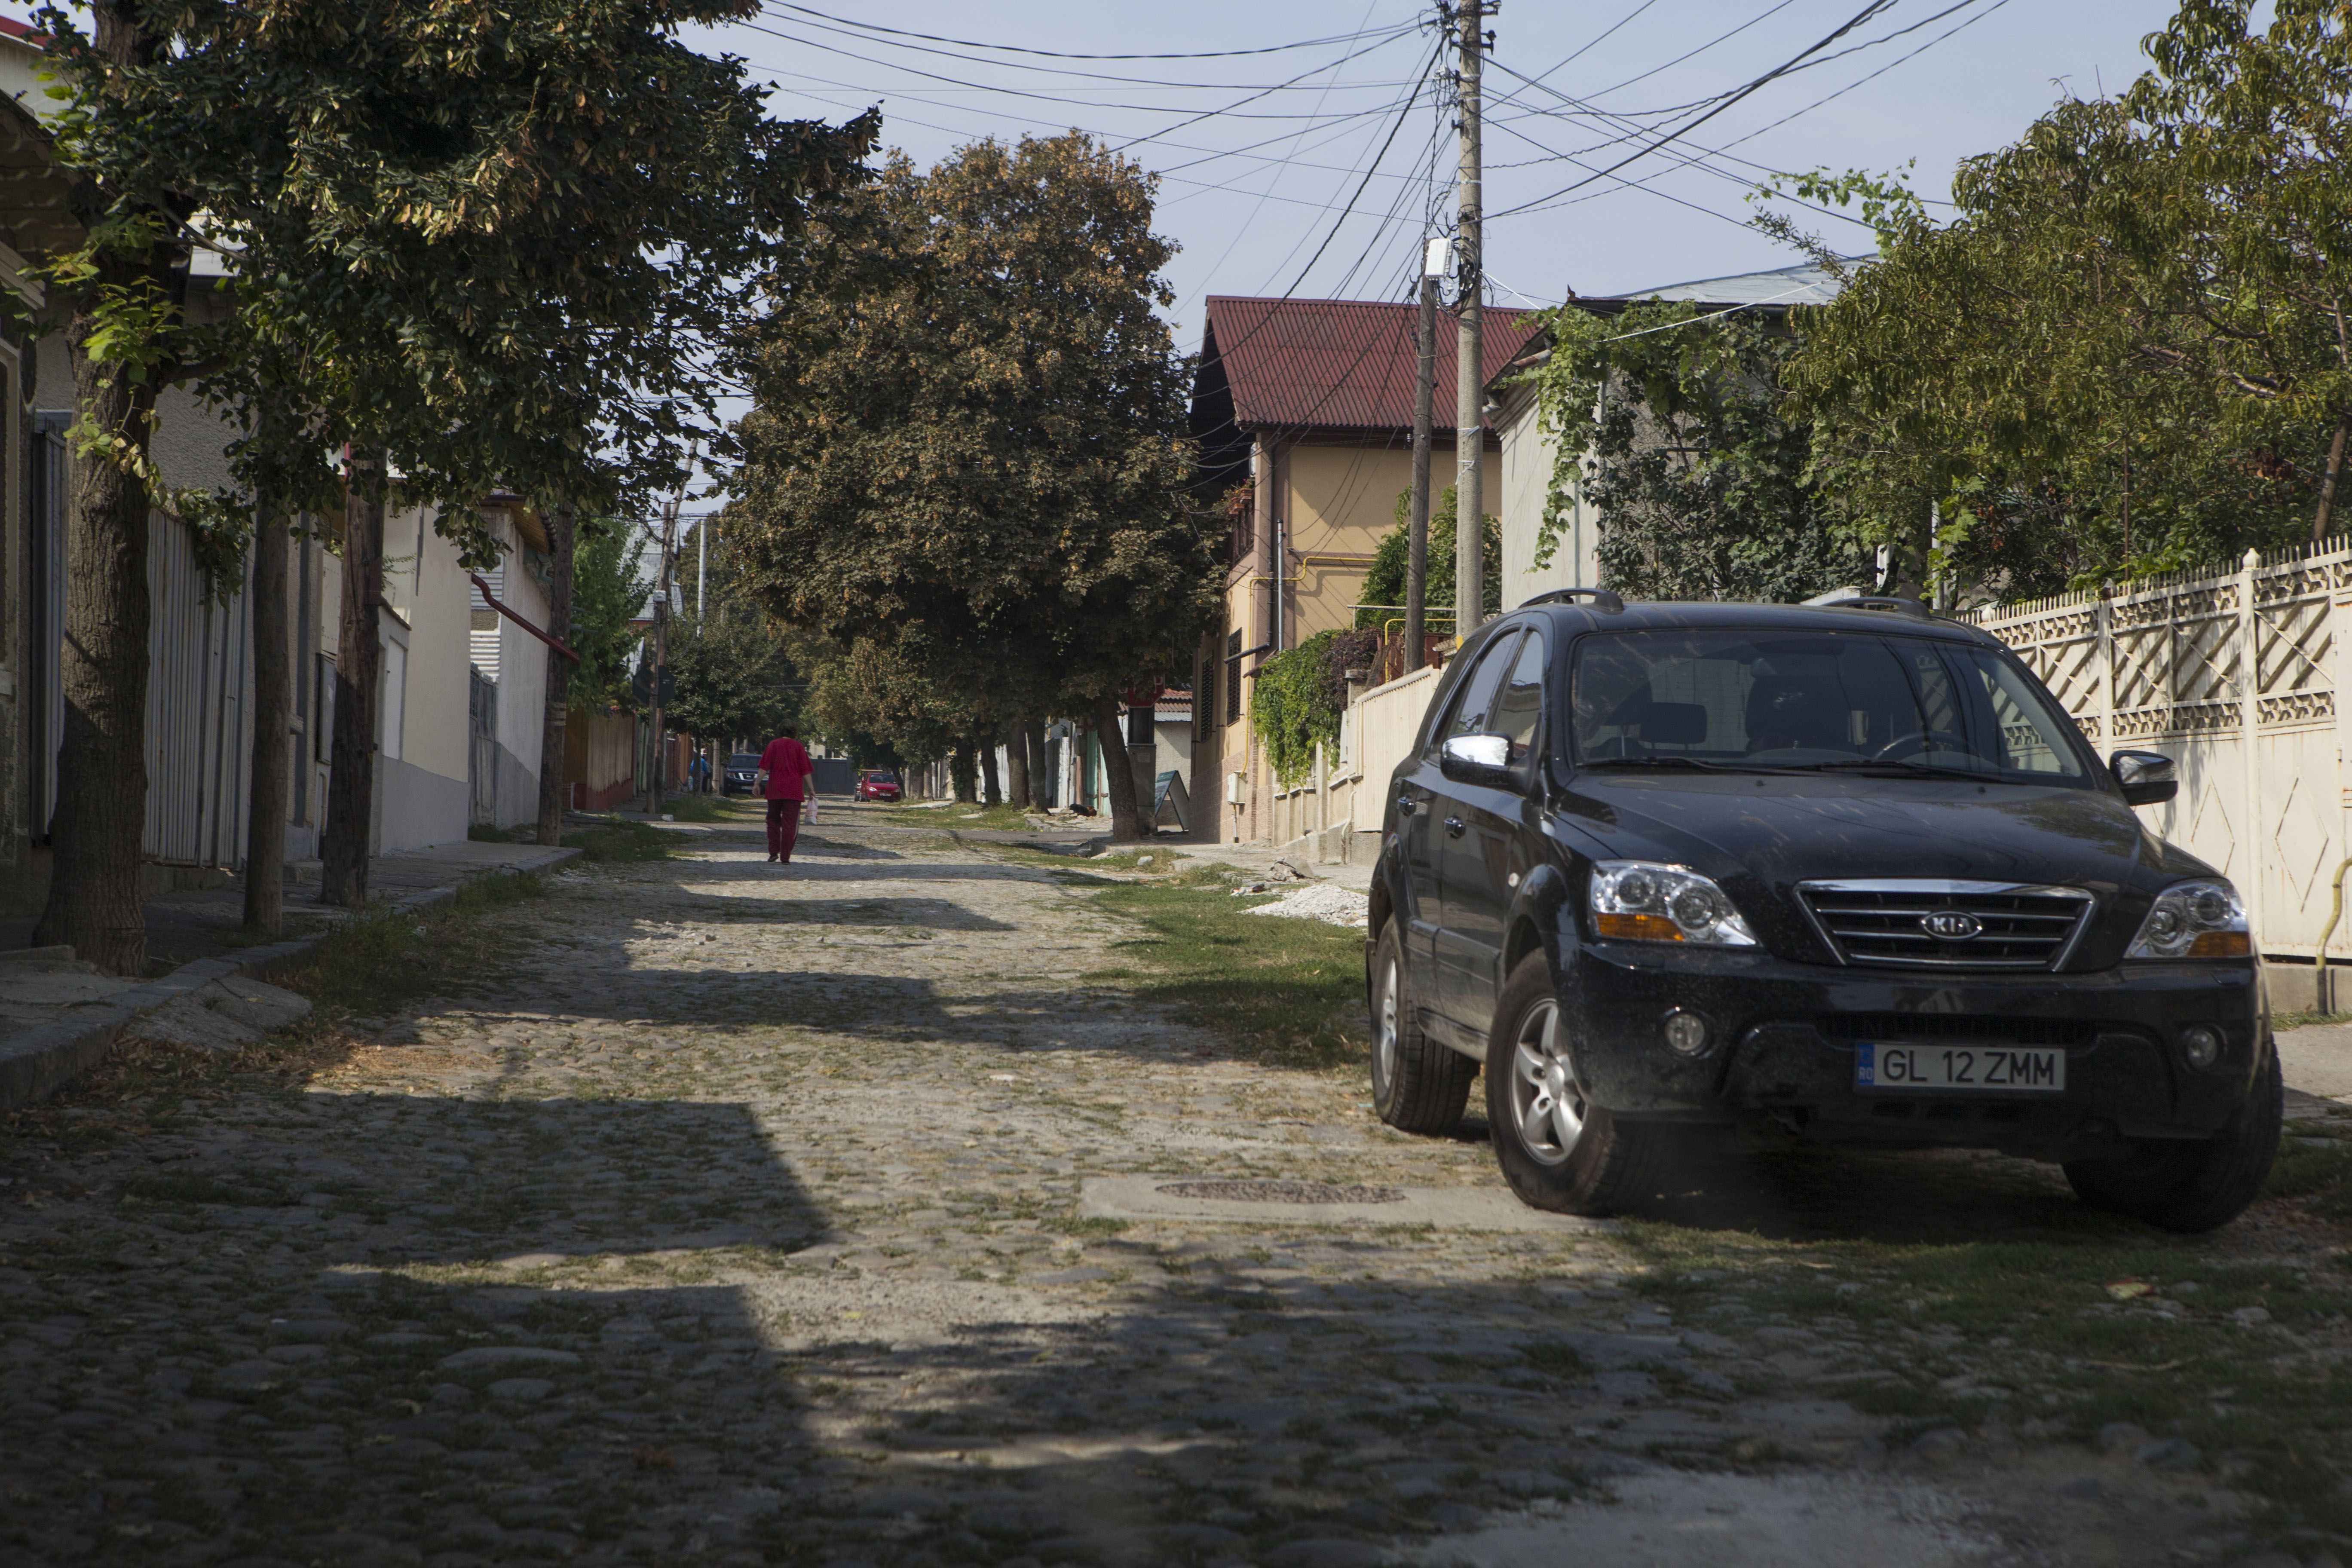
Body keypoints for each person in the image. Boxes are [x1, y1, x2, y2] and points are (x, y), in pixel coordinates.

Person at [754, 726, 815, 865]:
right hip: (794, 791)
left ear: (780, 731)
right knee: (790, 825)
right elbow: (806, 771)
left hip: (775, 790)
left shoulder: (773, 745)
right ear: (795, 732)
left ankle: (773, 852)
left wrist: (757, 784)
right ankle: (786, 857)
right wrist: (811, 789)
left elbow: (764, 767)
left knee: (772, 820)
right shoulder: (799, 747)